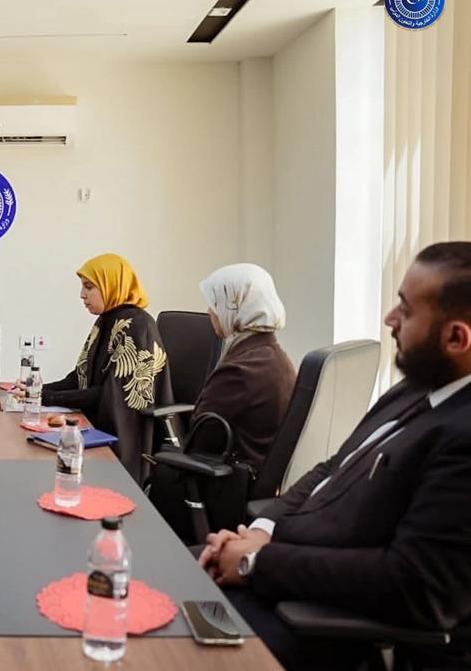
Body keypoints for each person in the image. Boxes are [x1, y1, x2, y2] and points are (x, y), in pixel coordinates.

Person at [199, 242, 471, 670]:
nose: (390, 319)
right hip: (288, 565)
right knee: (158, 580)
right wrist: (263, 530)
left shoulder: (462, 435)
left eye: (405, 309)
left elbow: (414, 583)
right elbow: (331, 468)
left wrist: (257, 562)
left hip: (320, 619)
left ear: (456, 337)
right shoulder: (415, 389)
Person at [149, 263, 296, 539]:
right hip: (256, 481)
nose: (209, 312)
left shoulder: (241, 369)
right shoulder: (273, 356)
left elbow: (202, 437)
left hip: (226, 487)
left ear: (235, 307)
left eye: (215, 304)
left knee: (161, 473)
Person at [39, 253, 172, 482]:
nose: (82, 295)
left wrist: (49, 398)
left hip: (125, 433)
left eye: (89, 287)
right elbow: (80, 376)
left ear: (112, 284)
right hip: (98, 420)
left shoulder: (136, 326)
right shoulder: (106, 320)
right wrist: (37, 391)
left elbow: (112, 396)